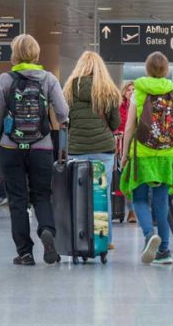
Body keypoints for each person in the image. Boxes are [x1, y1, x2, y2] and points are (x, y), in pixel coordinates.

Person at [0, 34, 69, 266]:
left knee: (17, 200)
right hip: (42, 146)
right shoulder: (48, 78)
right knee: (42, 195)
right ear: (36, 53)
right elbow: (63, 113)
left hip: (10, 147)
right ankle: (47, 231)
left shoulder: (5, 79)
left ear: (14, 54)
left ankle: (24, 252)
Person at [120, 52, 173, 265]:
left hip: (143, 154)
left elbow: (129, 127)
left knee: (138, 199)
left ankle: (149, 236)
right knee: (162, 202)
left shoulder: (138, 92)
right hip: (168, 155)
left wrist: (124, 154)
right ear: (166, 70)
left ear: (147, 69)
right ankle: (164, 252)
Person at [62, 51, 122, 247]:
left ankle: (78, 238)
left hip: (77, 150)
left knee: (78, 195)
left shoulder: (69, 89)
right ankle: (105, 240)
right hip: (103, 151)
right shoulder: (108, 90)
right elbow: (115, 124)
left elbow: (65, 119)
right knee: (101, 196)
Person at [117, 81, 137, 223]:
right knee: (125, 178)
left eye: (133, 90)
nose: (131, 92)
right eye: (128, 90)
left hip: (136, 146)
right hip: (120, 146)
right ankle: (130, 211)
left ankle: (133, 211)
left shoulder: (140, 105)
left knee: (134, 179)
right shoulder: (119, 106)